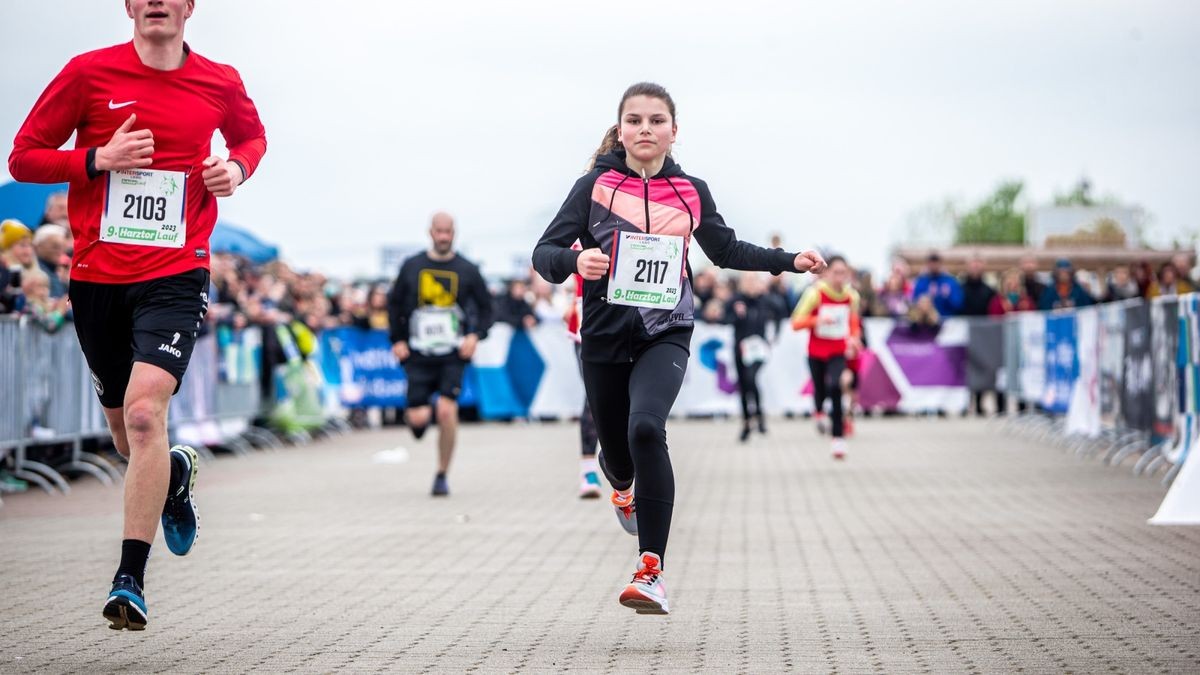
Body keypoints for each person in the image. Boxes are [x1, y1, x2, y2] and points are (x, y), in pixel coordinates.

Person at [8, 0, 267, 631]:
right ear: (130, 6)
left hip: (177, 271)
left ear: (187, 8)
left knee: (148, 412)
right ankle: (174, 474)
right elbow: (23, 156)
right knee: (129, 437)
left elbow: (251, 137)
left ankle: (130, 577)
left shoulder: (219, 80)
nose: (156, 1)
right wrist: (96, 159)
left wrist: (234, 167)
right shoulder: (88, 74)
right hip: (98, 277)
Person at [532, 82, 825, 615]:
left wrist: (788, 261)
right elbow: (544, 252)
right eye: (635, 120)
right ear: (620, 129)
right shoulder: (593, 187)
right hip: (602, 333)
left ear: (674, 130)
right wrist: (574, 263)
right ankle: (619, 483)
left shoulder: (691, 190)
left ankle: (650, 571)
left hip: (666, 328)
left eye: (657, 120)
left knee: (646, 427)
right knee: (618, 457)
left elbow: (727, 247)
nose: (646, 129)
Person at [387, 212, 493, 497]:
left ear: (454, 232)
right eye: (439, 231)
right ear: (430, 232)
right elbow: (393, 305)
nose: (443, 236)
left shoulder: (468, 270)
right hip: (419, 354)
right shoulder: (412, 266)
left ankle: (442, 474)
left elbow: (487, 309)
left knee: (447, 411)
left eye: (448, 231)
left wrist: (475, 335)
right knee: (419, 418)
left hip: (452, 354)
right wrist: (397, 340)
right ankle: (419, 424)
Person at [791, 256, 861, 460]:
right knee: (820, 388)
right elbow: (795, 323)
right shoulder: (815, 294)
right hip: (816, 352)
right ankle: (819, 411)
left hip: (838, 351)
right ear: (827, 273)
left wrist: (855, 338)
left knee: (836, 387)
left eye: (844, 273)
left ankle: (838, 439)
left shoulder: (851, 296)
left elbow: (853, 322)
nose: (840, 278)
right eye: (836, 273)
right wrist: (817, 319)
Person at [563, 247, 602, 499]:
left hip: (626, 319)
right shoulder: (575, 224)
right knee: (594, 395)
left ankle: (622, 462)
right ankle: (588, 470)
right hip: (585, 322)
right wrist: (565, 300)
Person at [725, 272, 779, 442]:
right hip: (740, 347)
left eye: (753, 280)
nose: (750, 284)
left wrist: (774, 336)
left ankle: (759, 415)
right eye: (747, 281)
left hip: (759, 348)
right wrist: (737, 315)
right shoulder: (735, 300)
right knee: (743, 383)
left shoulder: (765, 300)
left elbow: (781, 311)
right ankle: (747, 422)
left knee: (751, 378)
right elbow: (725, 319)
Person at [911, 252, 962, 317]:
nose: (934, 265)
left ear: (940, 264)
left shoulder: (950, 281)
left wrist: (946, 296)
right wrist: (928, 297)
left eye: (936, 262)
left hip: (947, 319)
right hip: (926, 322)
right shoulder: (921, 281)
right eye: (931, 262)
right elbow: (915, 302)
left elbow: (958, 305)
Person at [32, 224, 68, 298]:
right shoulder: (36, 271)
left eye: (62, 247)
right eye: (55, 247)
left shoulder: (54, 271)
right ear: (37, 246)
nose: (60, 252)